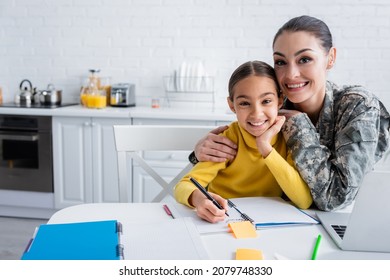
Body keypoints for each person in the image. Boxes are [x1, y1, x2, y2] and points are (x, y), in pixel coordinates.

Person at [190, 15, 390, 211]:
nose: (291, 74)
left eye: (304, 59)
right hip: (275, 218)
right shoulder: (272, 102)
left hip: (343, 222)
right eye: (280, 62)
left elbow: (335, 198)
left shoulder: (358, 106)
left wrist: (298, 125)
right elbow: (241, 153)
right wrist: (199, 153)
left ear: (330, 58)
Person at [174, 61, 313, 223]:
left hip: (267, 223)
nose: (256, 114)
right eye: (244, 103)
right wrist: (198, 199)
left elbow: (303, 201)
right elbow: (182, 186)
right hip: (224, 222)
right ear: (232, 106)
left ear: (280, 100)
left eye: (266, 101)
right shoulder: (228, 139)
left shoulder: (288, 139)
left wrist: (265, 147)